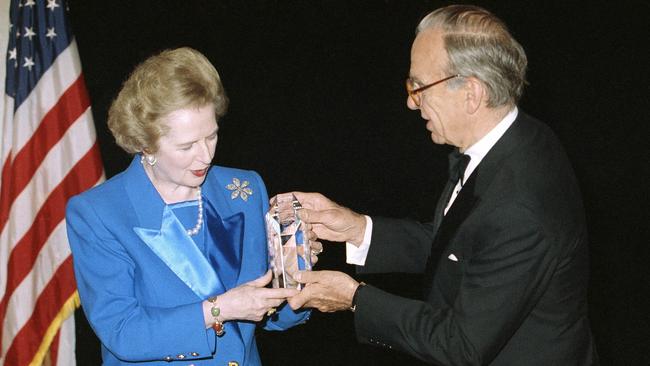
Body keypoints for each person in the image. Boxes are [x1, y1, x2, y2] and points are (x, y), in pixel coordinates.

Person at [287, 5, 598, 365]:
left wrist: (355, 298)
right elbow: (459, 246)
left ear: (472, 93)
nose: (410, 101)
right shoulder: (513, 140)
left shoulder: (521, 203)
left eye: (419, 87)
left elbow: (461, 345)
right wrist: (358, 230)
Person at [66, 47, 311, 365]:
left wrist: (294, 269)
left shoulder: (245, 190)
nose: (206, 156)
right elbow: (123, 332)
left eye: (211, 136)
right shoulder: (100, 213)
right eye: (187, 146)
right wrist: (220, 309)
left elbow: (272, 315)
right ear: (145, 144)